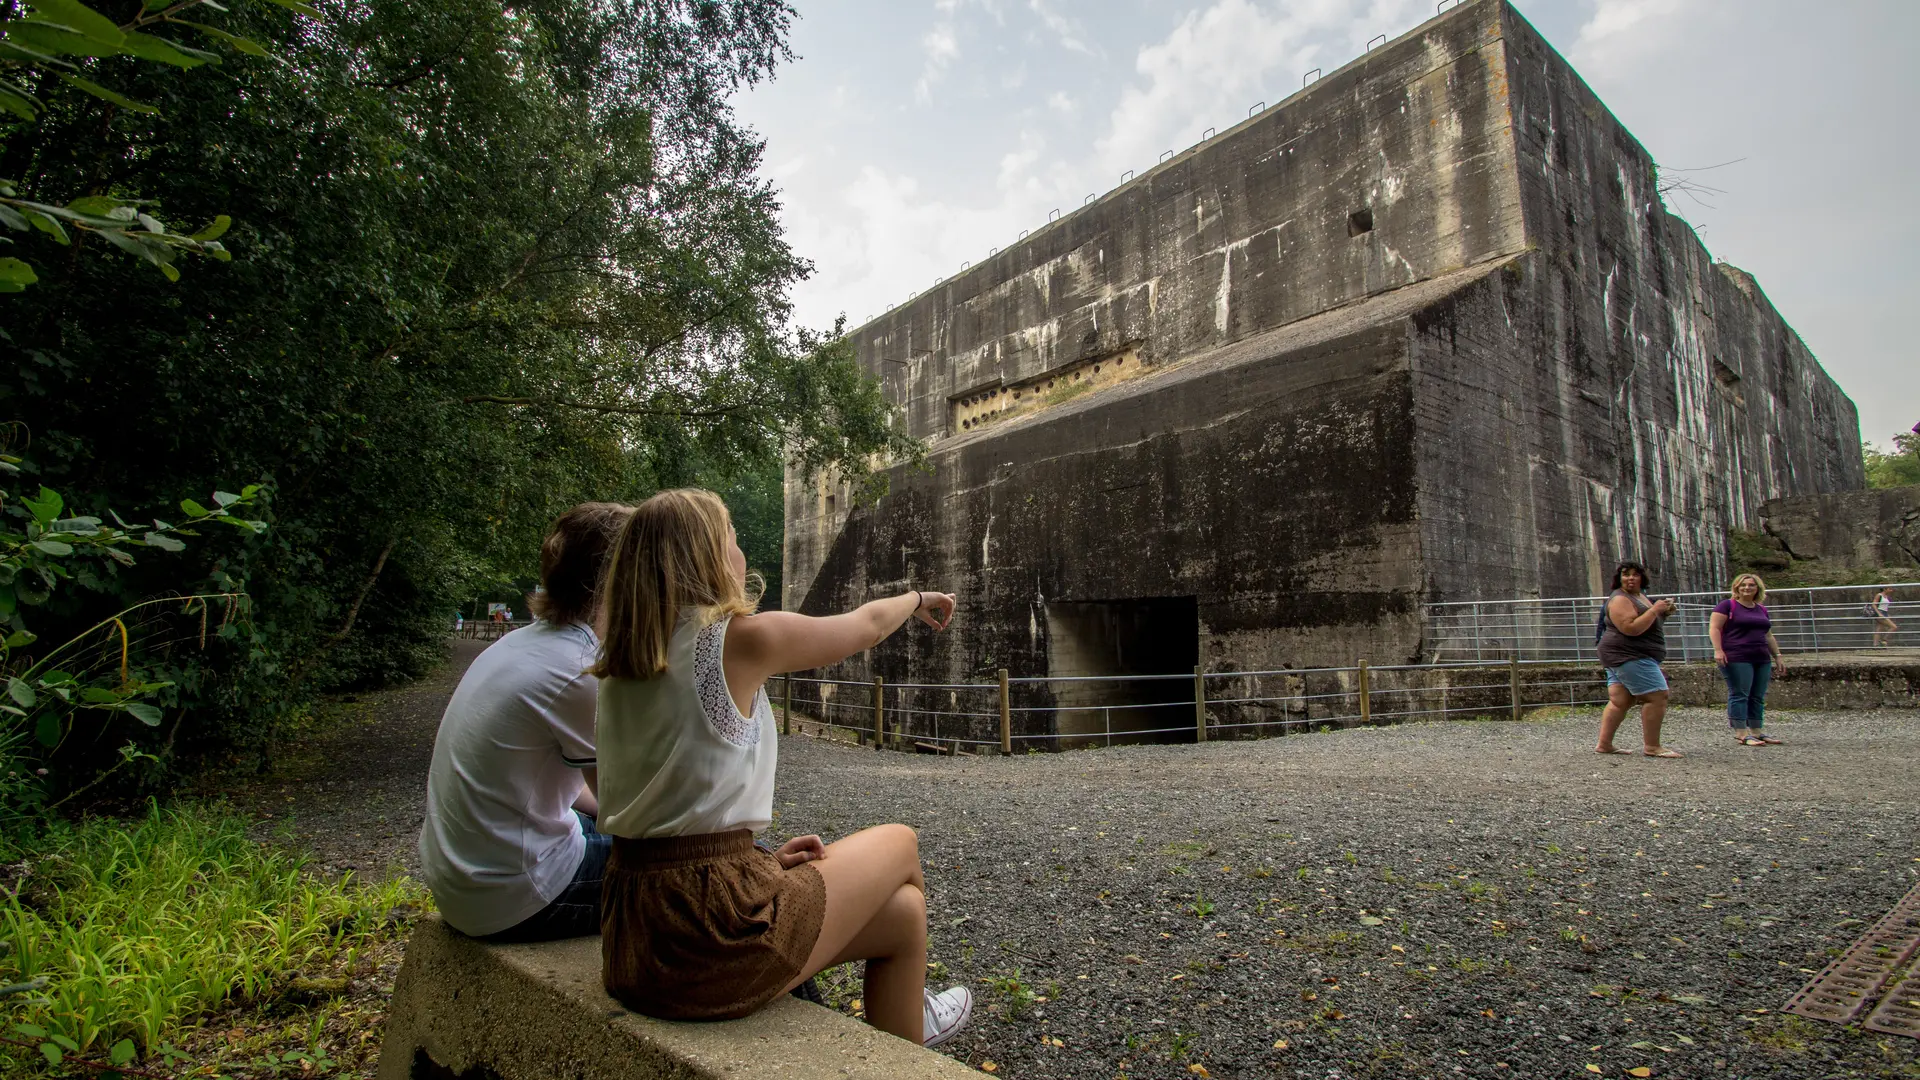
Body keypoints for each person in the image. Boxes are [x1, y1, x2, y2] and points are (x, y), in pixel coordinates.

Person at [589, 488, 973, 1047]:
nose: (741, 549)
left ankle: (909, 1032)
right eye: (733, 537)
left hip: (634, 932)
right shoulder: (737, 640)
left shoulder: (621, 665)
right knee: (901, 842)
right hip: (709, 931)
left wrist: (751, 857)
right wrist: (918, 598)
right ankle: (913, 1017)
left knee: (905, 913)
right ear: (707, 555)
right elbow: (863, 626)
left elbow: (667, 804)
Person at [418, 502, 632, 940]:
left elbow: (589, 800)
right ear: (619, 580)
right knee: (710, 877)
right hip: (519, 895)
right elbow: (629, 810)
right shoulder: (578, 671)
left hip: (462, 880)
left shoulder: (523, 644)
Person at [1594, 560, 1682, 758]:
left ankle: (1604, 744)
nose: (1630, 578)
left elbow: (1647, 622)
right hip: (1628, 654)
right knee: (1657, 695)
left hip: (1621, 654)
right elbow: (1630, 628)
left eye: (1635, 574)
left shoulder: (1639, 596)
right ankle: (1652, 747)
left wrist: (1663, 612)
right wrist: (1654, 610)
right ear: (1619, 578)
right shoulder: (1620, 599)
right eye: (1626, 574)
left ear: (1642, 577)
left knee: (1620, 700)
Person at [1711, 573, 1784, 747]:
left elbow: (1768, 634)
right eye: (1743, 585)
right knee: (1740, 693)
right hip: (1737, 656)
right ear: (1736, 587)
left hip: (1760, 657)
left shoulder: (1761, 609)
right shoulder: (1727, 606)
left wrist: (1778, 656)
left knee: (1757, 695)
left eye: (1751, 585)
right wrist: (1718, 650)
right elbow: (1714, 627)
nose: (1747, 588)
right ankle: (1741, 732)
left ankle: (1757, 731)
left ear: (1757, 588)